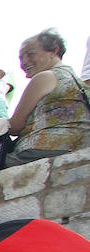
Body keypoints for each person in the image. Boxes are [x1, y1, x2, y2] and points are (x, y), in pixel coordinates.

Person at [8, 29, 90, 166]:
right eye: (21, 58)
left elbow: (15, 126)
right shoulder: (76, 81)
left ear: (54, 51)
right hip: (78, 145)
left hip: (43, 149)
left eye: (31, 54)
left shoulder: (46, 77)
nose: (24, 62)